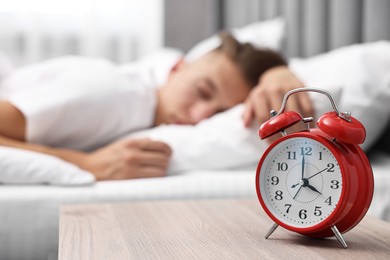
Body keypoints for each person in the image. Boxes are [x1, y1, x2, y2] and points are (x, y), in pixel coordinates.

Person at [0, 32, 311, 180]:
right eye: (203, 91)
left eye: (218, 113)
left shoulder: (153, 83)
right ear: (177, 68)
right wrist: (86, 164)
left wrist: (278, 74)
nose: (200, 115)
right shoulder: (116, 95)